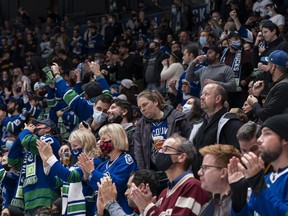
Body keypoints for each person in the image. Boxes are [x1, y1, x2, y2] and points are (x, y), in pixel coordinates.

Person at [130, 134, 208, 215]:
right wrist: (143, 207)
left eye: (166, 149)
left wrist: (148, 207)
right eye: (160, 149)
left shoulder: (192, 186)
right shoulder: (164, 193)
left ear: (181, 157)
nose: (160, 152)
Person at [228, 114, 288, 215]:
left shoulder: (259, 180)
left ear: (285, 140)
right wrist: (239, 197)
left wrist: (257, 183)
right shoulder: (266, 178)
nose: (259, 140)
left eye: (267, 133)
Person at [36, 127, 102, 216]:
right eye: (71, 146)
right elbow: (54, 183)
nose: (72, 149)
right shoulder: (74, 166)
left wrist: (51, 157)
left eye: (75, 146)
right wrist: (46, 163)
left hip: (86, 211)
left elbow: (70, 176)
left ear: (86, 145)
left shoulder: (94, 162)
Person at [78, 123, 138, 215]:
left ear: (115, 139)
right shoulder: (102, 166)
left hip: (119, 209)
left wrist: (92, 172)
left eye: (104, 139)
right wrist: (86, 177)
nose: (100, 143)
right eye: (100, 139)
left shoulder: (126, 160)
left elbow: (115, 185)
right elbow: (90, 193)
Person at [8, 118, 61, 214]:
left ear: (48, 128)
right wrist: (21, 134)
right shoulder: (29, 152)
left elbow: (27, 141)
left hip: (46, 195)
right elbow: (12, 159)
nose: (34, 127)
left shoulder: (50, 140)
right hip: (28, 199)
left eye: (38, 125)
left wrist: (25, 132)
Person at [192, 83, 242, 178]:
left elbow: (235, 155)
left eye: (206, 94)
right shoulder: (201, 124)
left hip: (220, 181)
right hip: (201, 179)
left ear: (218, 99)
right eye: (202, 94)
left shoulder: (230, 123)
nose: (202, 97)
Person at [133, 89, 191, 170]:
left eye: (145, 105)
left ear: (155, 102)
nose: (142, 109)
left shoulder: (177, 117)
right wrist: (144, 172)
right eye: (140, 107)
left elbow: (189, 142)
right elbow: (138, 151)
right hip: (154, 172)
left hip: (177, 168)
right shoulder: (140, 125)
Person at [198, 144, 242, 215]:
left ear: (223, 172)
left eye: (205, 168)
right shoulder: (205, 208)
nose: (199, 172)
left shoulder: (240, 207)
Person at [247, 50, 288, 122]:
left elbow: (265, 115)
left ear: (273, 67)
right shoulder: (280, 84)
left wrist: (254, 103)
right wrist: (257, 96)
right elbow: (265, 112)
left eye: (268, 63)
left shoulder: (283, 87)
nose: (266, 67)